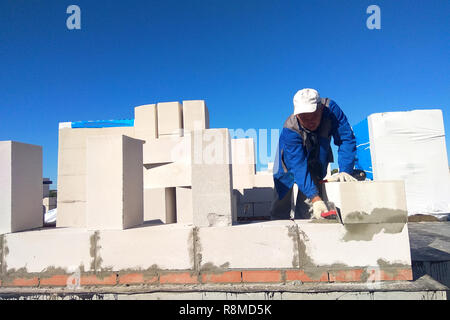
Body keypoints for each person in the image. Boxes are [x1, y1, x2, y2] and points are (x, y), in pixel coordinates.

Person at [271, 88, 357, 220]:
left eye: (314, 115)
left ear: (321, 108)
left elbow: (346, 138)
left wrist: (345, 170)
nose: (310, 121)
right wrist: (315, 198)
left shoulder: (332, 111)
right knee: (282, 194)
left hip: (316, 156)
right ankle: (278, 227)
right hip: (288, 160)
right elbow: (297, 167)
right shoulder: (290, 129)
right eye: (304, 117)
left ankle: (305, 228)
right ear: (297, 115)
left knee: (309, 205)